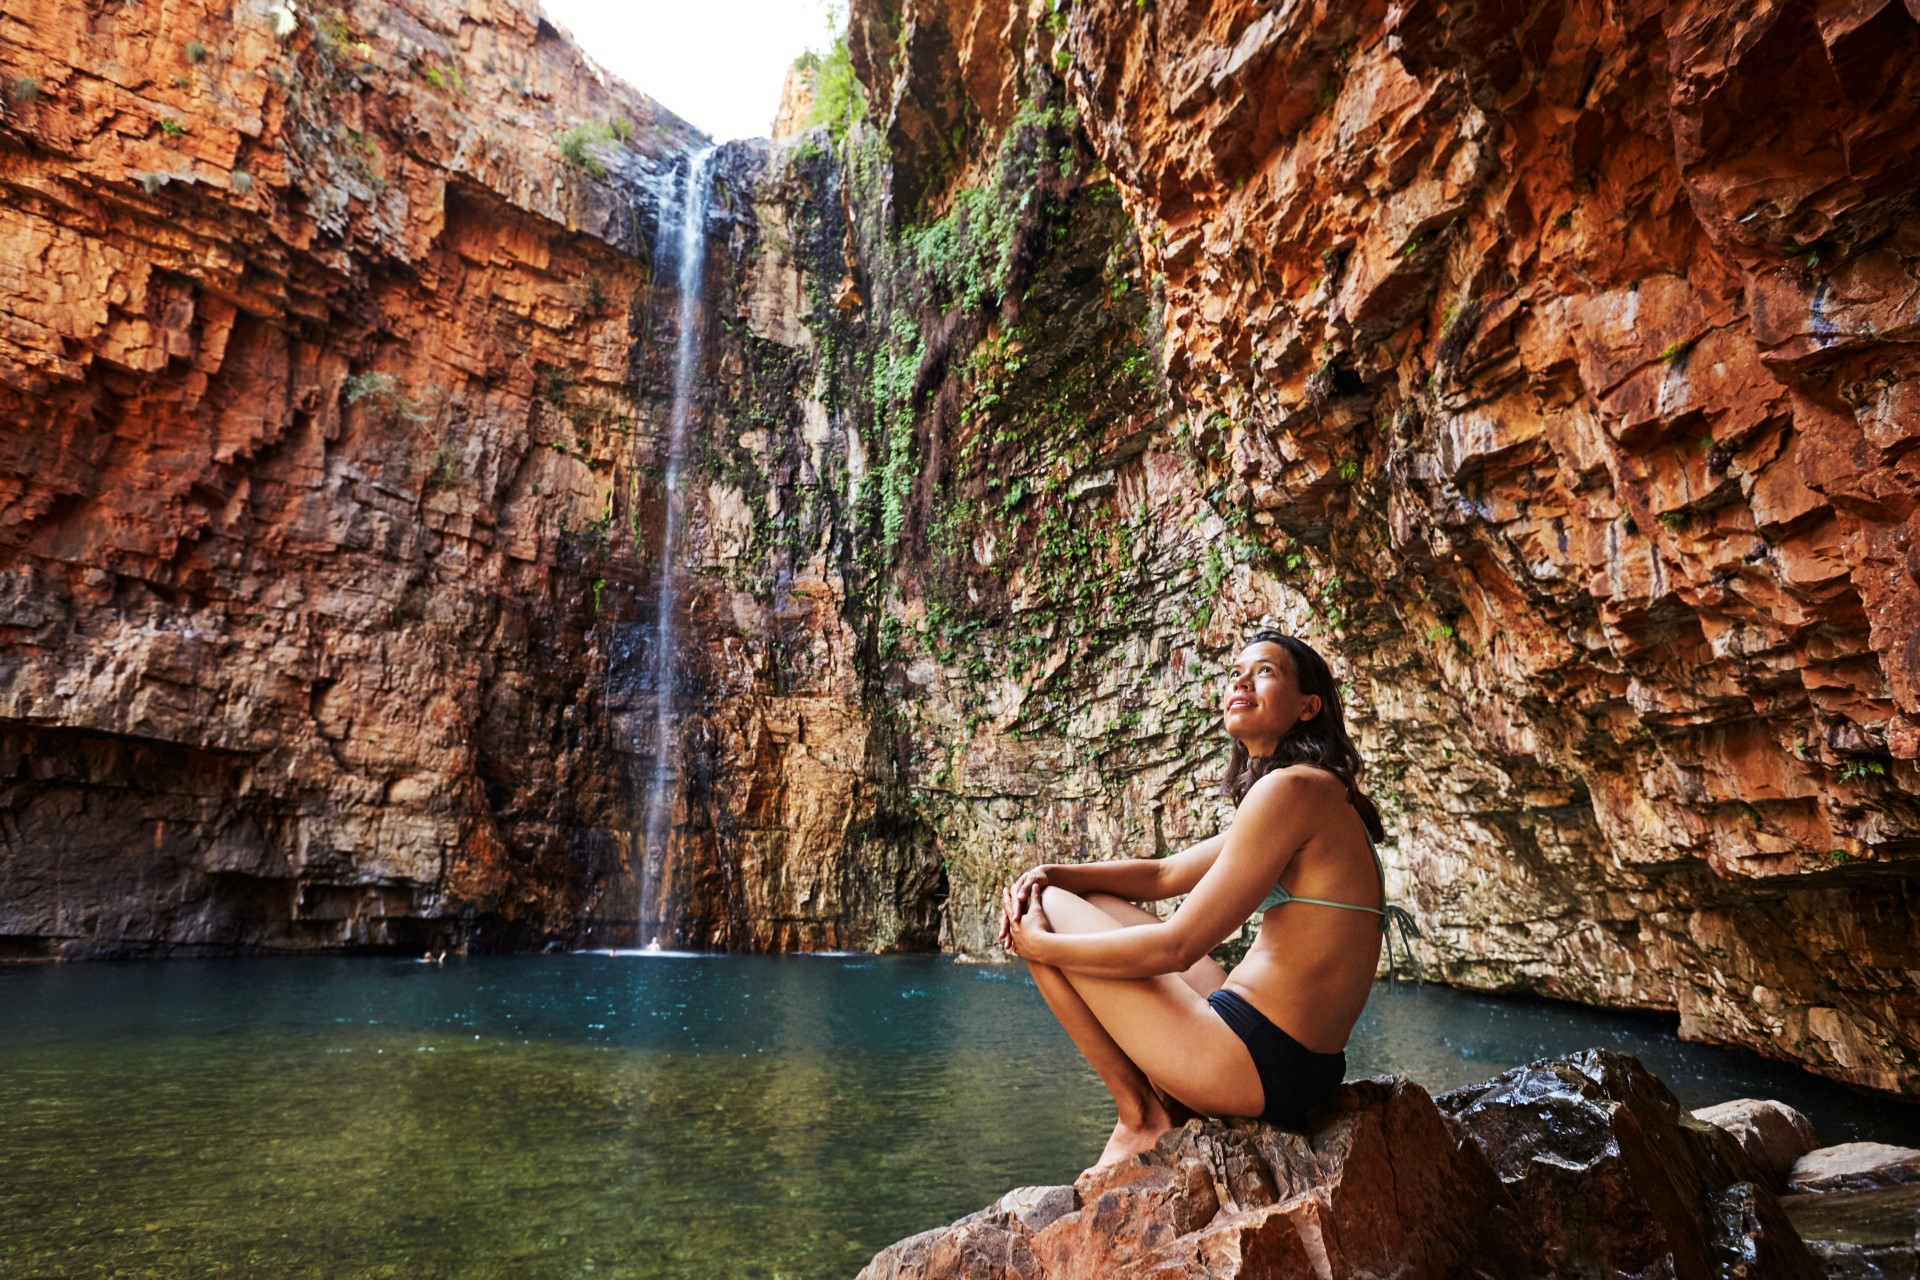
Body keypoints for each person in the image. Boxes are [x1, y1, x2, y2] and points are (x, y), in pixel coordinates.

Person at [998, 631, 1417, 1176]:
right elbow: (1165, 873)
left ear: (1309, 706)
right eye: (1235, 672)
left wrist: (1044, 946)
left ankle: (1143, 1115)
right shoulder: (1317, 791)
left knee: (1044, 907)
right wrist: (1057, 871)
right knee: (1072, 892)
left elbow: (1177, 945)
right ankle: (1165, 1099)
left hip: (1254, 1062)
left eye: (1264, 671)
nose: (1240, 681)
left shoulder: (1289, 791)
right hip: (1301, 1066)